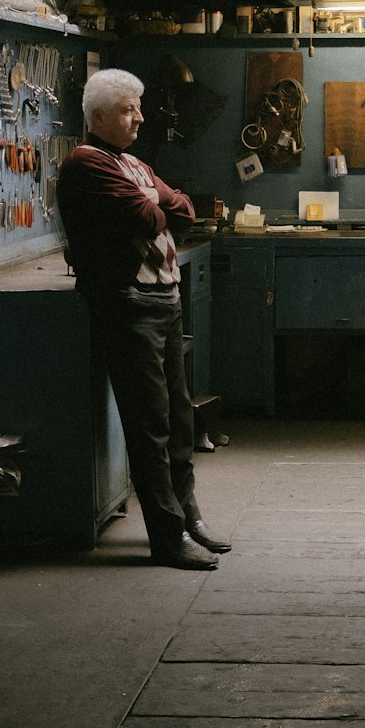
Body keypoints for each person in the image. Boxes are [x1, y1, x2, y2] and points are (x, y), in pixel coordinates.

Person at [57, 67, 232, 570]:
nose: (140, 116)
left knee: (178, 417)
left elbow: (184, 210)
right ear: (97, 116)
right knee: (149, 423)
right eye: (128, 109)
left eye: (138, 106)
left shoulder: (131, 163)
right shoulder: (87, 163)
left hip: (164, 301)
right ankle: (166, 537)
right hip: (127, 303)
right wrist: (158, 201)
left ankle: (189, 517)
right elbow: (149, 216)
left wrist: (159, 199)